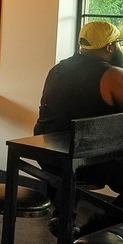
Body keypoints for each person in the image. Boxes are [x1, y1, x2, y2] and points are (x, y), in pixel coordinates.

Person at [35, 21, 123, 236]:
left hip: (47, 154)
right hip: (85, 161)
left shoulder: (58, 68)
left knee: (75, 144)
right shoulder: (112, 75)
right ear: (110, 47)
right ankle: (92, 231)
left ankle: (63, 215)